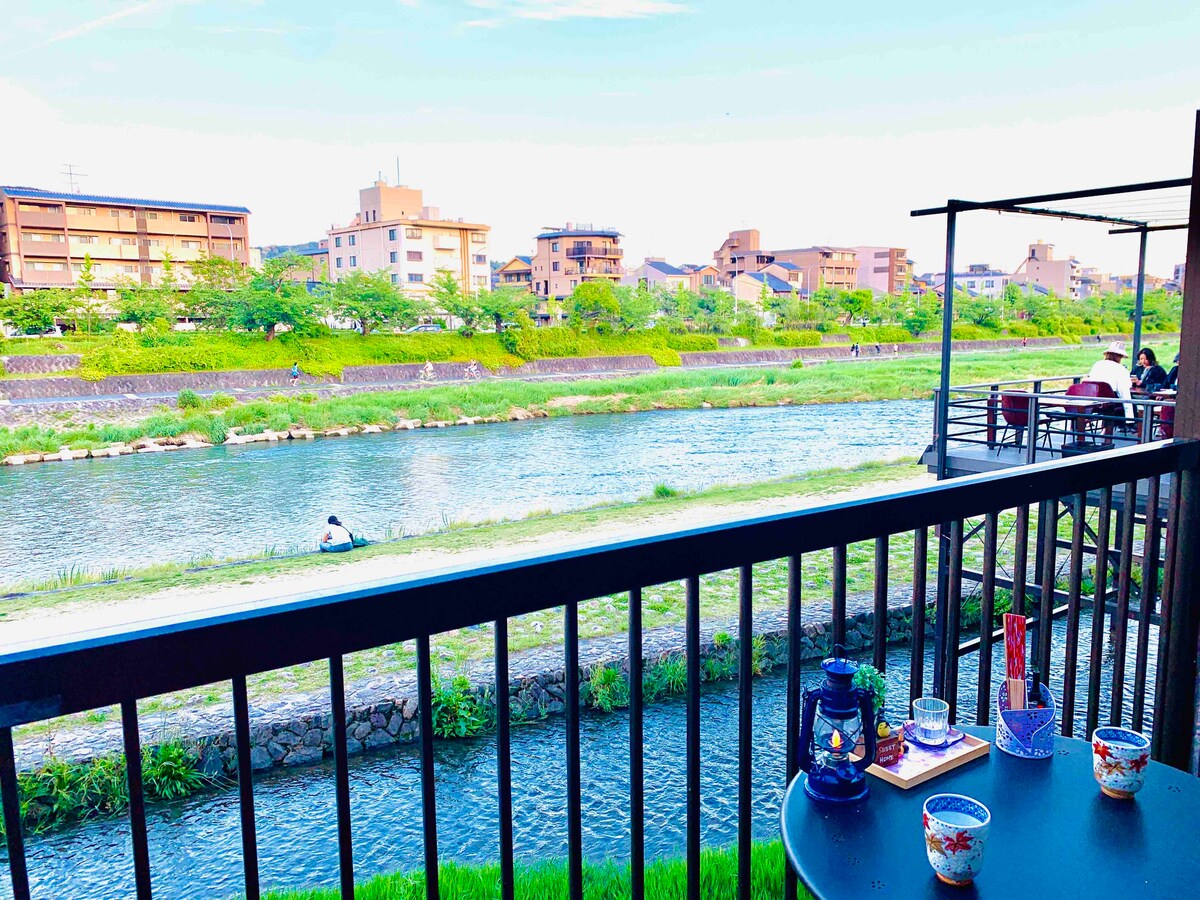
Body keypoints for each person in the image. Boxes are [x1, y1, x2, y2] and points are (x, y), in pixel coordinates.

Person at [1086, 340, 1133, 419]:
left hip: (1094, 398)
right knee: (1132, 404)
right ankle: (1130, 423)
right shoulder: (1121, 369)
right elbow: (1124, 391)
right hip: (1111, 401)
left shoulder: (1097, 364)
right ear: (1120, 356)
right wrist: (1129, 417)